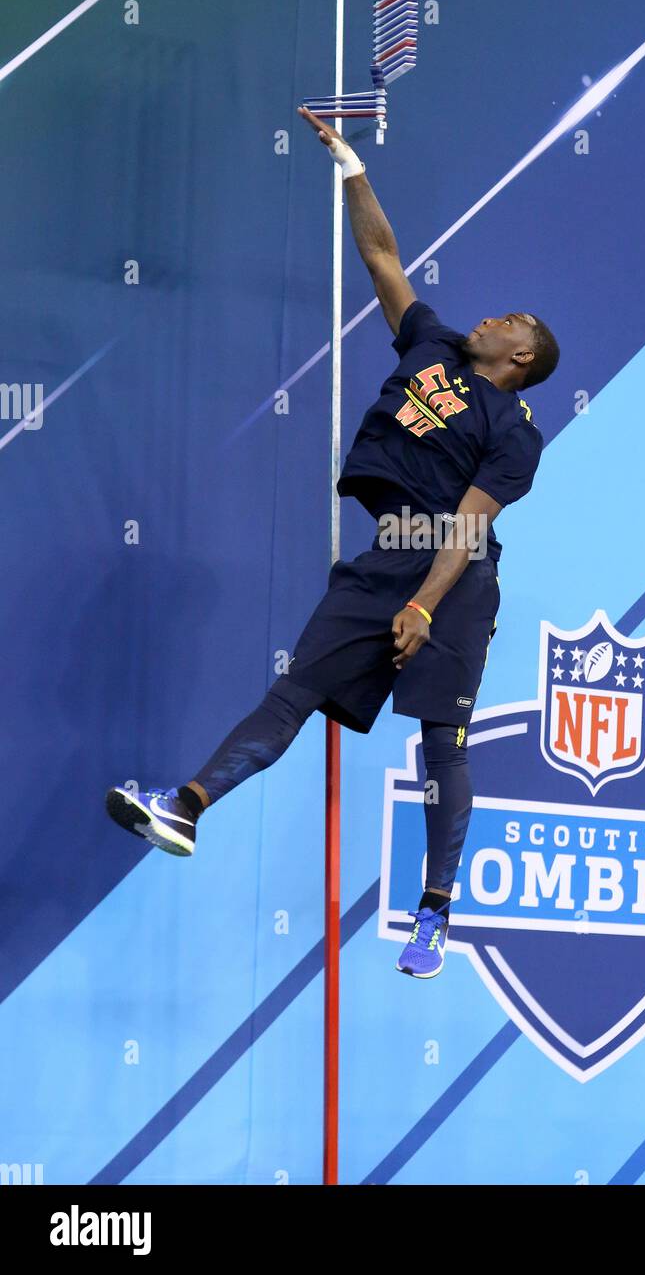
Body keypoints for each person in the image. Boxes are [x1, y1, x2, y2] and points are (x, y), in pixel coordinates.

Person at [106, 108, 560, 979]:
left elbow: (468, 524)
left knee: (440, 743)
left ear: (521, 359)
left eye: (513, 321)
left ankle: (434, 912)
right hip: (387, 553)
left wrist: (426, 606)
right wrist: (351, 165)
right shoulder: (430, 342)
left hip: (454, 579)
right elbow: (382, 256)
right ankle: (188, 807)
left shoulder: (513, 427)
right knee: (294, 692)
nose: (494, 316)